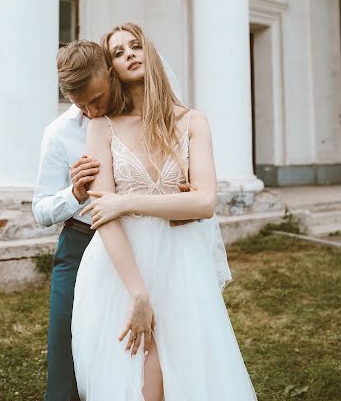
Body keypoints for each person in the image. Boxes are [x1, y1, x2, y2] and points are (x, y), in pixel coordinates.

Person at [72, 23, 257, 400]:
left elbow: (204, 201)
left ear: (149, 52)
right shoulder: (101, 127)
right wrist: (138, 294)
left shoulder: (192, 122)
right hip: (122, 268)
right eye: (118, 53)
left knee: (185, 371)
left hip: (181, 261)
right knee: (138, 377)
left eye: (135, 46)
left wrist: (126, 202)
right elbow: (103, 217)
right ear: (111, 70)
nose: (129, 55)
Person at [32, 40, 190, 401]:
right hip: (80, 241)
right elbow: (39, 210)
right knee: (67, 350)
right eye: (80, 104)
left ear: (110, 73)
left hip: (143, 243)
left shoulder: (143, 118)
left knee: (154, 344)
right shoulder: (59, 133)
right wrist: (73, 193)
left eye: (96, 98)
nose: (90, 110)